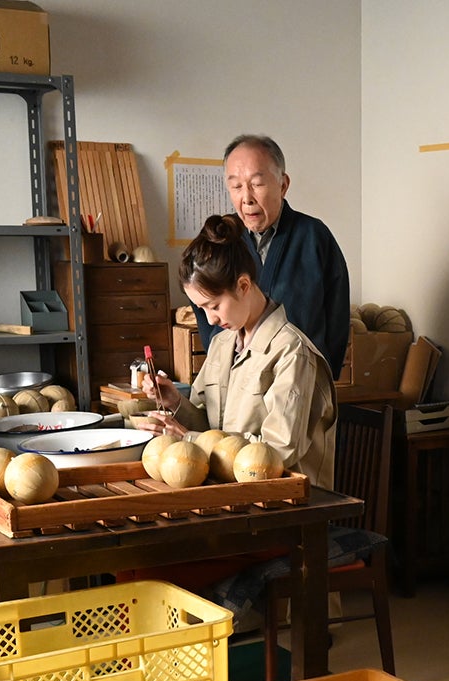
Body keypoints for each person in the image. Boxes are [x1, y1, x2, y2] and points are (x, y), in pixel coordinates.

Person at [144, 212, 337, 487]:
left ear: (243, 285)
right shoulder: (222, 343)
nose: (210, 319)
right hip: (231, 494)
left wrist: (187, 437)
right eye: (201, 309)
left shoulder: (292, 352)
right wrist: (176, 403)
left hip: (287, 503)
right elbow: (212, 425)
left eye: (214, 306)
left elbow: (275, 453)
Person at [192, 134, 351, 379]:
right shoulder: (220, 238)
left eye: (257, 184)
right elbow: (203, 304)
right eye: (236, 186)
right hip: (238, 382)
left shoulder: (314, 236)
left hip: (299, 379)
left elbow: (337, 316)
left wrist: (323, 377)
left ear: (283, 185)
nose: (247, 198)